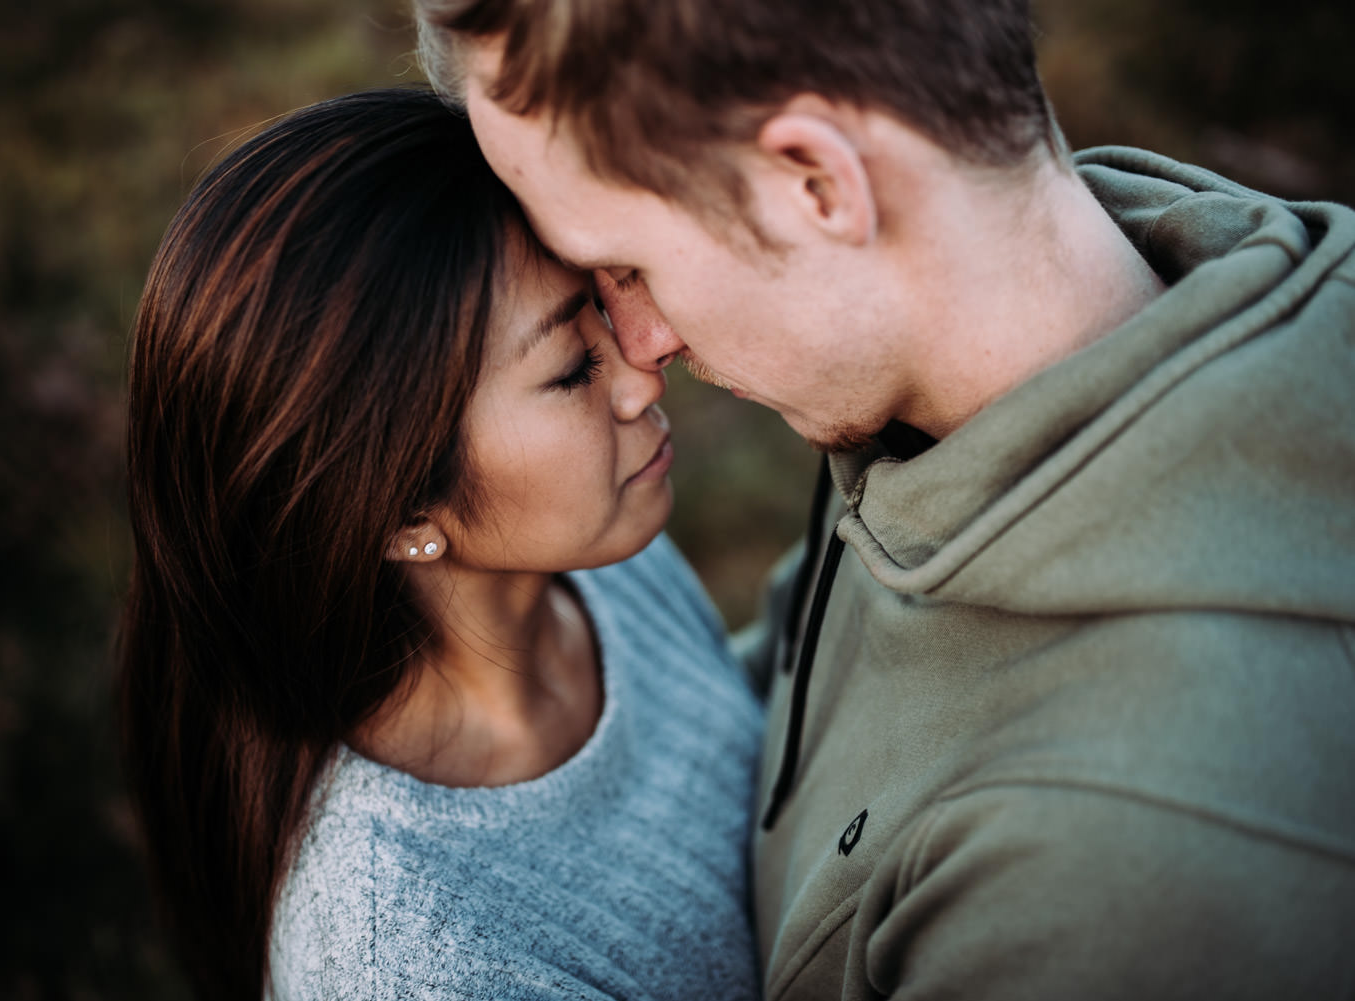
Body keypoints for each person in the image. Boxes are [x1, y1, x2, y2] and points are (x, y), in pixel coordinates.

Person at [413, 0, 1355, 998]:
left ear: (816, 183)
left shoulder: (1120, 865)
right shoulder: (930, 405)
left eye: (626, 267)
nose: (637, 345)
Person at [116, 87, 764, 1001]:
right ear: (400, 514)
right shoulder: (408, 962)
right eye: (574, 369)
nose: (643, 367)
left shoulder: (590, 558)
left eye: (597, 306)